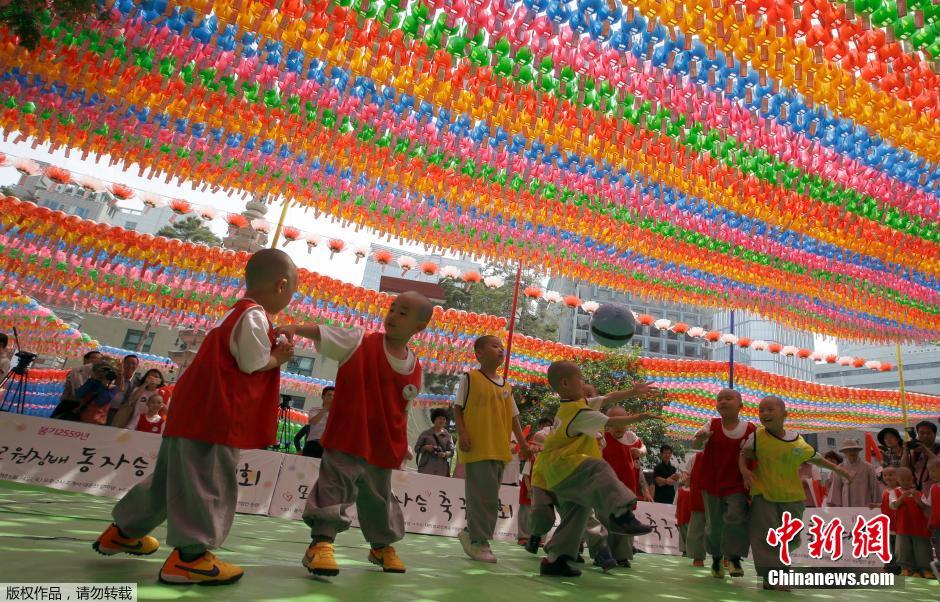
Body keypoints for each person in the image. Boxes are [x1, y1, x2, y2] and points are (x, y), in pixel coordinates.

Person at [92, 248, 297, 585]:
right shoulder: (254, 316)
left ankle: (123, 533)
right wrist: (279, 356)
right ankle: (191, 557)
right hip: (216, 415)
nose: (289, 299)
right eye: (292, 292)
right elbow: (253, 363)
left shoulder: (232, 314)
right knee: (209, 482)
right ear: (281, 285)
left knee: (167, 480)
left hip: (192, 411)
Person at [281, 291, 432, 577]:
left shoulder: (416, 367)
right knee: (334, 486)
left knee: (378, 496)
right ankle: (320, 544)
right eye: (392, 308)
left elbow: (403, 410)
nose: (393, 315)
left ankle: (381, 546)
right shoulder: (358, 341)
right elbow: (325, 333)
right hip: (348, 436)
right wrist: (294, 328)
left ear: (419, 327)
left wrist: (404, 444)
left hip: (383, 444)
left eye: (402, 313)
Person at [529, 361, 656, 577]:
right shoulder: (578, 413)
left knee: (578, 513)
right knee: (598, 468)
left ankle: (556, 560)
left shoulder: (575, 405)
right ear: (566, 383)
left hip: (555, 472)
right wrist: (639, 417)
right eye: (580, 378)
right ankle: (621, 514)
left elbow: (608, 398)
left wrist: (633, 392)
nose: (583, 382)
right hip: (564, 467)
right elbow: (611, 421)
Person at [739, 396, 849, 590]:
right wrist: (744, 471)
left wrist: (837, 469)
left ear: (785, 414)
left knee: (791, 539)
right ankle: (772, 577)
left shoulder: (797, 440)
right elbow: (743, 454)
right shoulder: (757, 436)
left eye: (770, 409)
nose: (764, 413)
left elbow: (815, 458)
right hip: (763, 494)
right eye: (761, 410)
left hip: (793, 497)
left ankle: (779, 571)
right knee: (764, 536)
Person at [454, 335, 531, 563]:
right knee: (481, 496)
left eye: (502, 347)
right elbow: (458, 408)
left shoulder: (505, 385)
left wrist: (523, 444)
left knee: (489, 497)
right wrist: (462, 433)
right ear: (479, 353)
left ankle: (471, 533)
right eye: (495, 346)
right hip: (478, 447)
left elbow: (514, 418)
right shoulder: (470, 378)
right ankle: (478, 540)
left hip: (499, 450)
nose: (500, 350)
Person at [691, 387, 756, 579]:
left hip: (736, 484)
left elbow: (755, 454)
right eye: (720, 399)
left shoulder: (750, 429)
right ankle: (717, 558)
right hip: (711, 483)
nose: (723, 402)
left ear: (741, 406)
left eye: (728, 398)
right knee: (715, 525)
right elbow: (696, 444)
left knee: (736, 518)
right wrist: (699, 439)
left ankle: (734, 558)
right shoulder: (711, 425)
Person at [600, 406, 649, 568]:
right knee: (605, 521)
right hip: (607, 489)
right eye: (614, 423)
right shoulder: (602, 439)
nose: (619, 427)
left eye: (622, 422)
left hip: (628, 490)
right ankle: (604, 554)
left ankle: (622, 556)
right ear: (607, 424)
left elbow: (644, 448)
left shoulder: (631, 437)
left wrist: (640, 452)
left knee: (627, 523)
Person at [889, 467, 932, 578]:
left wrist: (917, 500)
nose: (906, 482)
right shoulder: (894, 492)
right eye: (903, 480)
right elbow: (894, 506)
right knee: (903, 548)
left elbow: (925, 507)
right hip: (903, 526)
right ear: (898, 480)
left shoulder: (918, 493)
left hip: (919, 527)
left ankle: (924, 569)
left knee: (922, 548)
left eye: (908, 479)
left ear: (912, 479)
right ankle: (906, 568)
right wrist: (903, 496)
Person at [518, 417, 553, 547]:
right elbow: (526, 474)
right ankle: (523, 537)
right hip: (530, 488)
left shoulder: (551, 457)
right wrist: (529, 490)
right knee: (526, 512)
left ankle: (540, 539)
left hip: (545, 489)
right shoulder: (531, 456)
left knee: (544, 513)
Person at [826, 439, 881, 508]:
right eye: (849, 450)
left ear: (858, 451)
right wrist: (836, 506)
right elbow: (836, 488)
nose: (852, 452)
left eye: (855, 450)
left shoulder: (868, 467)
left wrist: (876, 504)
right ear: (844, 452)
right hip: (846, 503)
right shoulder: (839, 468)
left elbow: (874, 487)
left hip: (865, 502)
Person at [51, 350, 102, 419]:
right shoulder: (77, 371)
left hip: (88, 406)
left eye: (100, 359)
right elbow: (78, 391)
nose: (97, 360)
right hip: (71, 404)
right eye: (94, 358)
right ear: (85, 360)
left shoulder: (99, 374)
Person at [293, 387, 334, 458]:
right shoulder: (315, 410)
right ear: (323, 397)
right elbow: (313, 422)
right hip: (313, 444)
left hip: (328, 447)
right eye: (329, 395)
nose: (331, 397)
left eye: (334, 396)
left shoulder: (336, 413)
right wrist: (325, 408)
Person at [77, 360, 121, 425]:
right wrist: (92, 380)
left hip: (98, 422)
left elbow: (100, 401)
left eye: (107, 371)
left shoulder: (112, 388)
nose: (103, 373)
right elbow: (79, 394)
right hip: (81, 418)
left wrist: (104, 384)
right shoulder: (92, 382)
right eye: (101, 371)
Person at [414, 408, 454, 476]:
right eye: (440, 418)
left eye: (444, 419)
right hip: (426, 469)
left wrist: (444, 454)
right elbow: (416, 448)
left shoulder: (448, 436)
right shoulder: (425, 433)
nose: (442, 421)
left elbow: (452, 452)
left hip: (441, 470)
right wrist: (425, 447)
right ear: (434, 419)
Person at [902, 421, 940, 492]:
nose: (925, 436)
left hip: (936, 491)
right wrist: (905, 451)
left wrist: (925, 450)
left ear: (935, 434)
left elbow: (938, 464)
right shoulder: (916, 451)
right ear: (918, 434)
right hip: (919, 492)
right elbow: (904, 468)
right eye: (922, 433)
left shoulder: (938, 449)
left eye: (928, 433)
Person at [877, 466, 901, 574]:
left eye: (890, 475)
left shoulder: (899, 491)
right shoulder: (885, 491)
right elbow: (883, 505)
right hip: (887, 525)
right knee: (888, 547)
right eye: (885, 475)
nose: (887, 477)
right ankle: (888, 567)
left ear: (897, 476)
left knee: (897, 547)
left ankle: (898, 567)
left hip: (897, 525)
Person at [107, 355, 140, 425]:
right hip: (107, 410)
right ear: (123, 364)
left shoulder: (139, 383)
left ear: (137, 366)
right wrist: (119, 374)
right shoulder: (112, 376)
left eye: (133, 363)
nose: (130, 366)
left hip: (123, 414)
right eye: (128, 363)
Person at [927, 458, 940, 581]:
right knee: (938, 547)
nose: (931, 474)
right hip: (936, 524)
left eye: (933, 471)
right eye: (929, 471)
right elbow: (930, 506)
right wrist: (930, 520)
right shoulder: (933, 488)